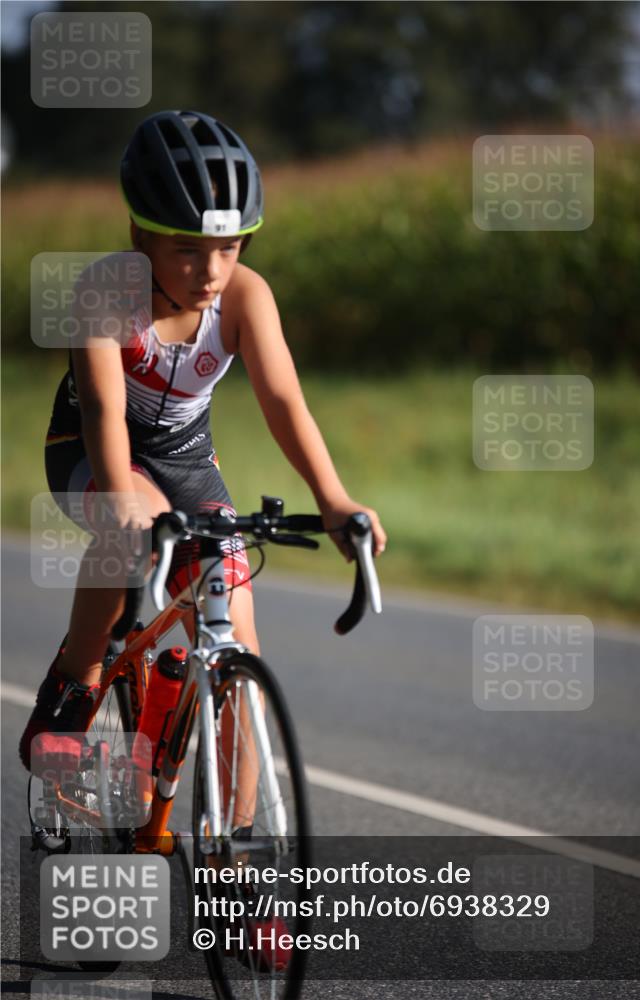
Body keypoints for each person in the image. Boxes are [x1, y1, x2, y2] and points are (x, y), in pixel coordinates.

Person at [20, 108, 386, 770]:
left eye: (229, 247)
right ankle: (76, 681)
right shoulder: (105, 290)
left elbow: (283, 401)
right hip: (93, 448)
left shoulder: (247, 297)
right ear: (139, 234)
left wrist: (333, 498)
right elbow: (104, 407)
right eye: (186, 249)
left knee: (238, 644)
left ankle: (235, 856)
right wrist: (119, 499)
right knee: (131, 527)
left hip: (188, 461)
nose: (210, 271)